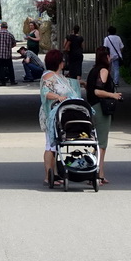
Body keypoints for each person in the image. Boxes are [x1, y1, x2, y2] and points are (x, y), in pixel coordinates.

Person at [39, 49, 81, 186]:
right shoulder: (48, 76)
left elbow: (69, 85)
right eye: (62, 61)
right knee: (50, 144)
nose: (64, 63)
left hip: (61, 114)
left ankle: (54, 173)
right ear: (58, 62)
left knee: (55, 145)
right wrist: (58, 97)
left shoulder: (59, 76)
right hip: (51, 114)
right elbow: (46, 93)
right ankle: (48, 175)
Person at [85, 47, 122, 185]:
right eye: (109, 55)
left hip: (93, 107)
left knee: (96, 142)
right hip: (101, 108)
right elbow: (97, 91)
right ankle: (98, 174)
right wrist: (113, 95)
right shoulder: (103, 70)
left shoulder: (93, 70)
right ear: (106, 57)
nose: (111, 58)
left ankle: (97, 173)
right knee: (102, 143)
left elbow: (90, 88)